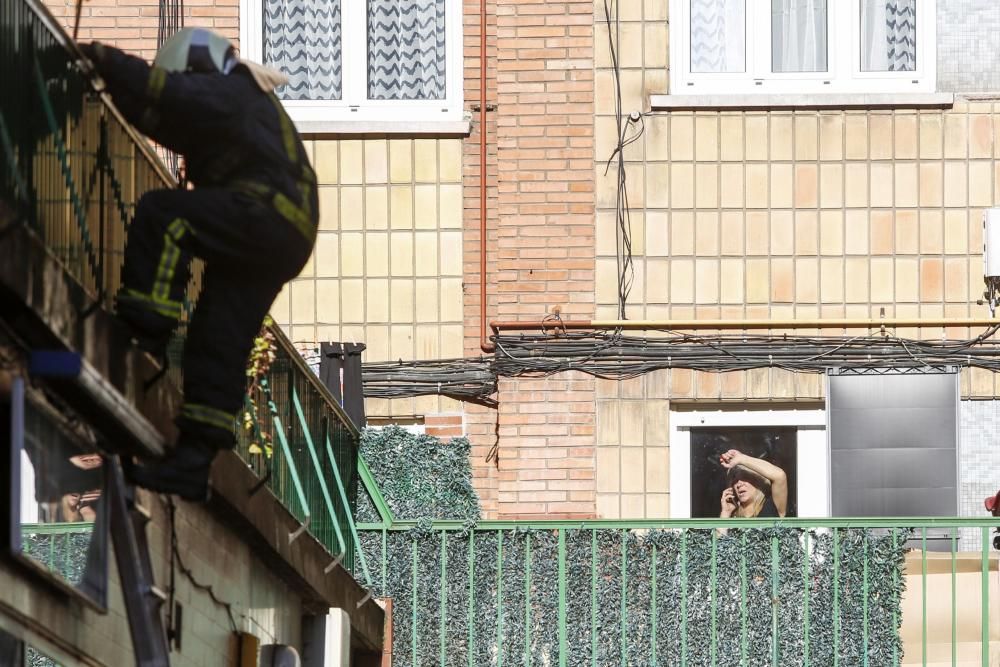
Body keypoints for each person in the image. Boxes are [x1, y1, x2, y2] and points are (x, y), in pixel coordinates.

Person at [79, 28, 317, 500]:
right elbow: (161, 117)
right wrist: (106, 87)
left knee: (162, 217)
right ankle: (192, 464)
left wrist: (102, 57)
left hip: (263, 213)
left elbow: (169, 95)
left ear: (197, 65)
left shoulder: (233, 89)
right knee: (217, 339)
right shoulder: (239, 102)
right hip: (283, 235)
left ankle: (145, 328)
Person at [718, 449, 788, 519]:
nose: (739, 484)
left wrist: (741, 458)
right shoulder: (732, 515)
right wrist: (725, 513)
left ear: (758, 481)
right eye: (735, 481)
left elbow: (779, 476)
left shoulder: (771, 506)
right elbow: (720, 530)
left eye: (744, 478)